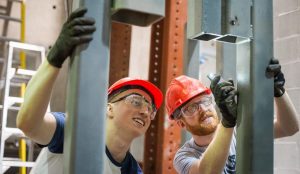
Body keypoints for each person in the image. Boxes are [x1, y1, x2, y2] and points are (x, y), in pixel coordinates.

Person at [16, 7, 163, 174]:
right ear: (109, 108)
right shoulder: (73, 132)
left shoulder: (131, 170)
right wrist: (55, 57)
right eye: (136, 101)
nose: (145, 111)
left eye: (151, 109)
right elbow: (28, 124)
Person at [165, 59, 299, 174]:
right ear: (181, 123)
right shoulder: (184, 156)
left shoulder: (238, 132)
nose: (203, 109)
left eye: (205, 101)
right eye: (191, 108)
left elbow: (289, 128)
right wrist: (227, 121)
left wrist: (278, 92)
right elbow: (206, 171)